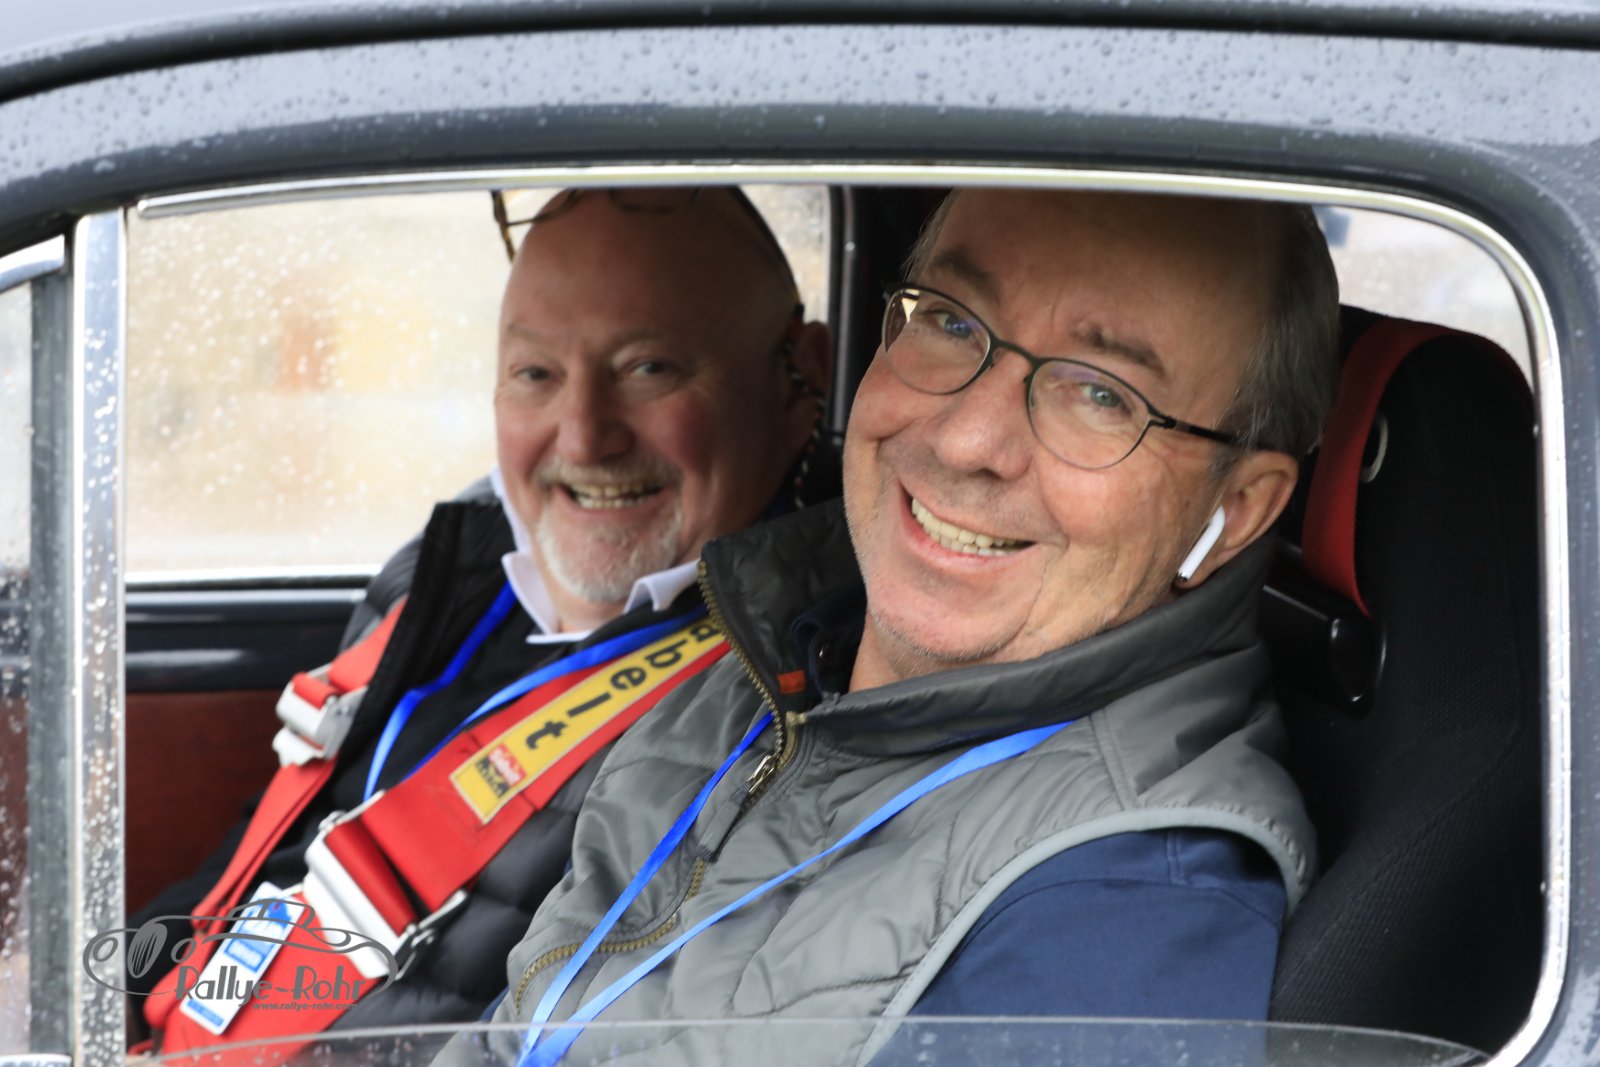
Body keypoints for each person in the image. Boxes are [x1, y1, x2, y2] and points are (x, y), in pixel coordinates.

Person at [455, 187, 1341, 1067]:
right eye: (952, 322)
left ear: (1237, 507)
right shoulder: (775, 671)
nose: (965, 441)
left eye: (1101, 393)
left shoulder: (1120, 912)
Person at [128, 186, 833, 1055]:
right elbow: (259, 863)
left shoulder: (792, 694)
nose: (584, 438)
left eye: (648, 368)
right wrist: (89, 1003)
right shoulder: (446, 573)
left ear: (801, 376)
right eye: (536, 374)